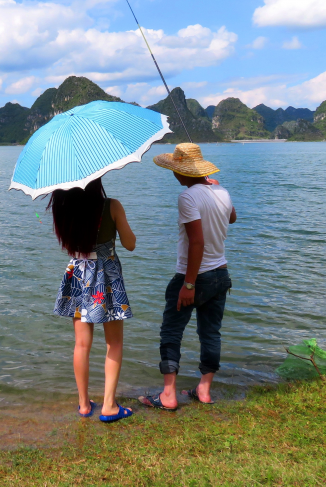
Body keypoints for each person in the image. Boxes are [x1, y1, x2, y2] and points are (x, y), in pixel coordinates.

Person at [139, 143, 237, 411]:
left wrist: (189, 284)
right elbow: (232, 218)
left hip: (193, 276)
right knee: (211, 333)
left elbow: (197, 243)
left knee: (171, 331)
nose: (173, 174)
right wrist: (216, 188)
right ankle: (204, 389)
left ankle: (168, 395)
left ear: (182, 172)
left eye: (175, 169)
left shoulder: (187, 198)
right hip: (221, 275)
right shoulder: (221, 190)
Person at [49, 177, 137, 423]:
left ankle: (84, 404)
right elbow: (130, 244)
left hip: (78, 273)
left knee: (81, 345)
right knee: (114, 343)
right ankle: (109, 405)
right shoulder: (112, 206)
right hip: (107, 276)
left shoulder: (65, 209)